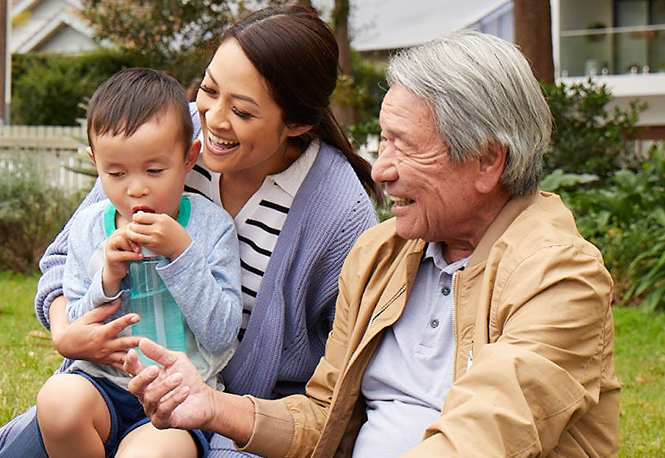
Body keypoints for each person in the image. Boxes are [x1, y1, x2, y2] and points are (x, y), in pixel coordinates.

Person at [124, 30, 620, 458]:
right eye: (381, 141)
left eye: (403, 144)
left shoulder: (560, 277)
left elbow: (484, 437)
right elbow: (322, 416)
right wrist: (213, 406)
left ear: (488, 161)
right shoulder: (380, 256)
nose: (380, 170)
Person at [0, 4, 381, 458]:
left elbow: (342, 381)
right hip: (111, 390)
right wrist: (66, 333)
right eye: (210, 89)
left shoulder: (337, 212)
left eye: (244, 112)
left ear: (297, 123)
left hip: (239, 419)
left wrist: (223, 413)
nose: (213, 119)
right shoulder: (170, 130)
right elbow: (66, 259)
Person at [32, 68, 241, 458]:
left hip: (177, 396)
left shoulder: (211, 228)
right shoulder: (90, 227)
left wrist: (182, 255)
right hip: (104, 386)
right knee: (57, 400)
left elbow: (222, 334)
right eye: (115, 173)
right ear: (96, 164)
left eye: (155, 170)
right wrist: (108, 276)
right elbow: (78, 322)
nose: (136, 187)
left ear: (189, 157)